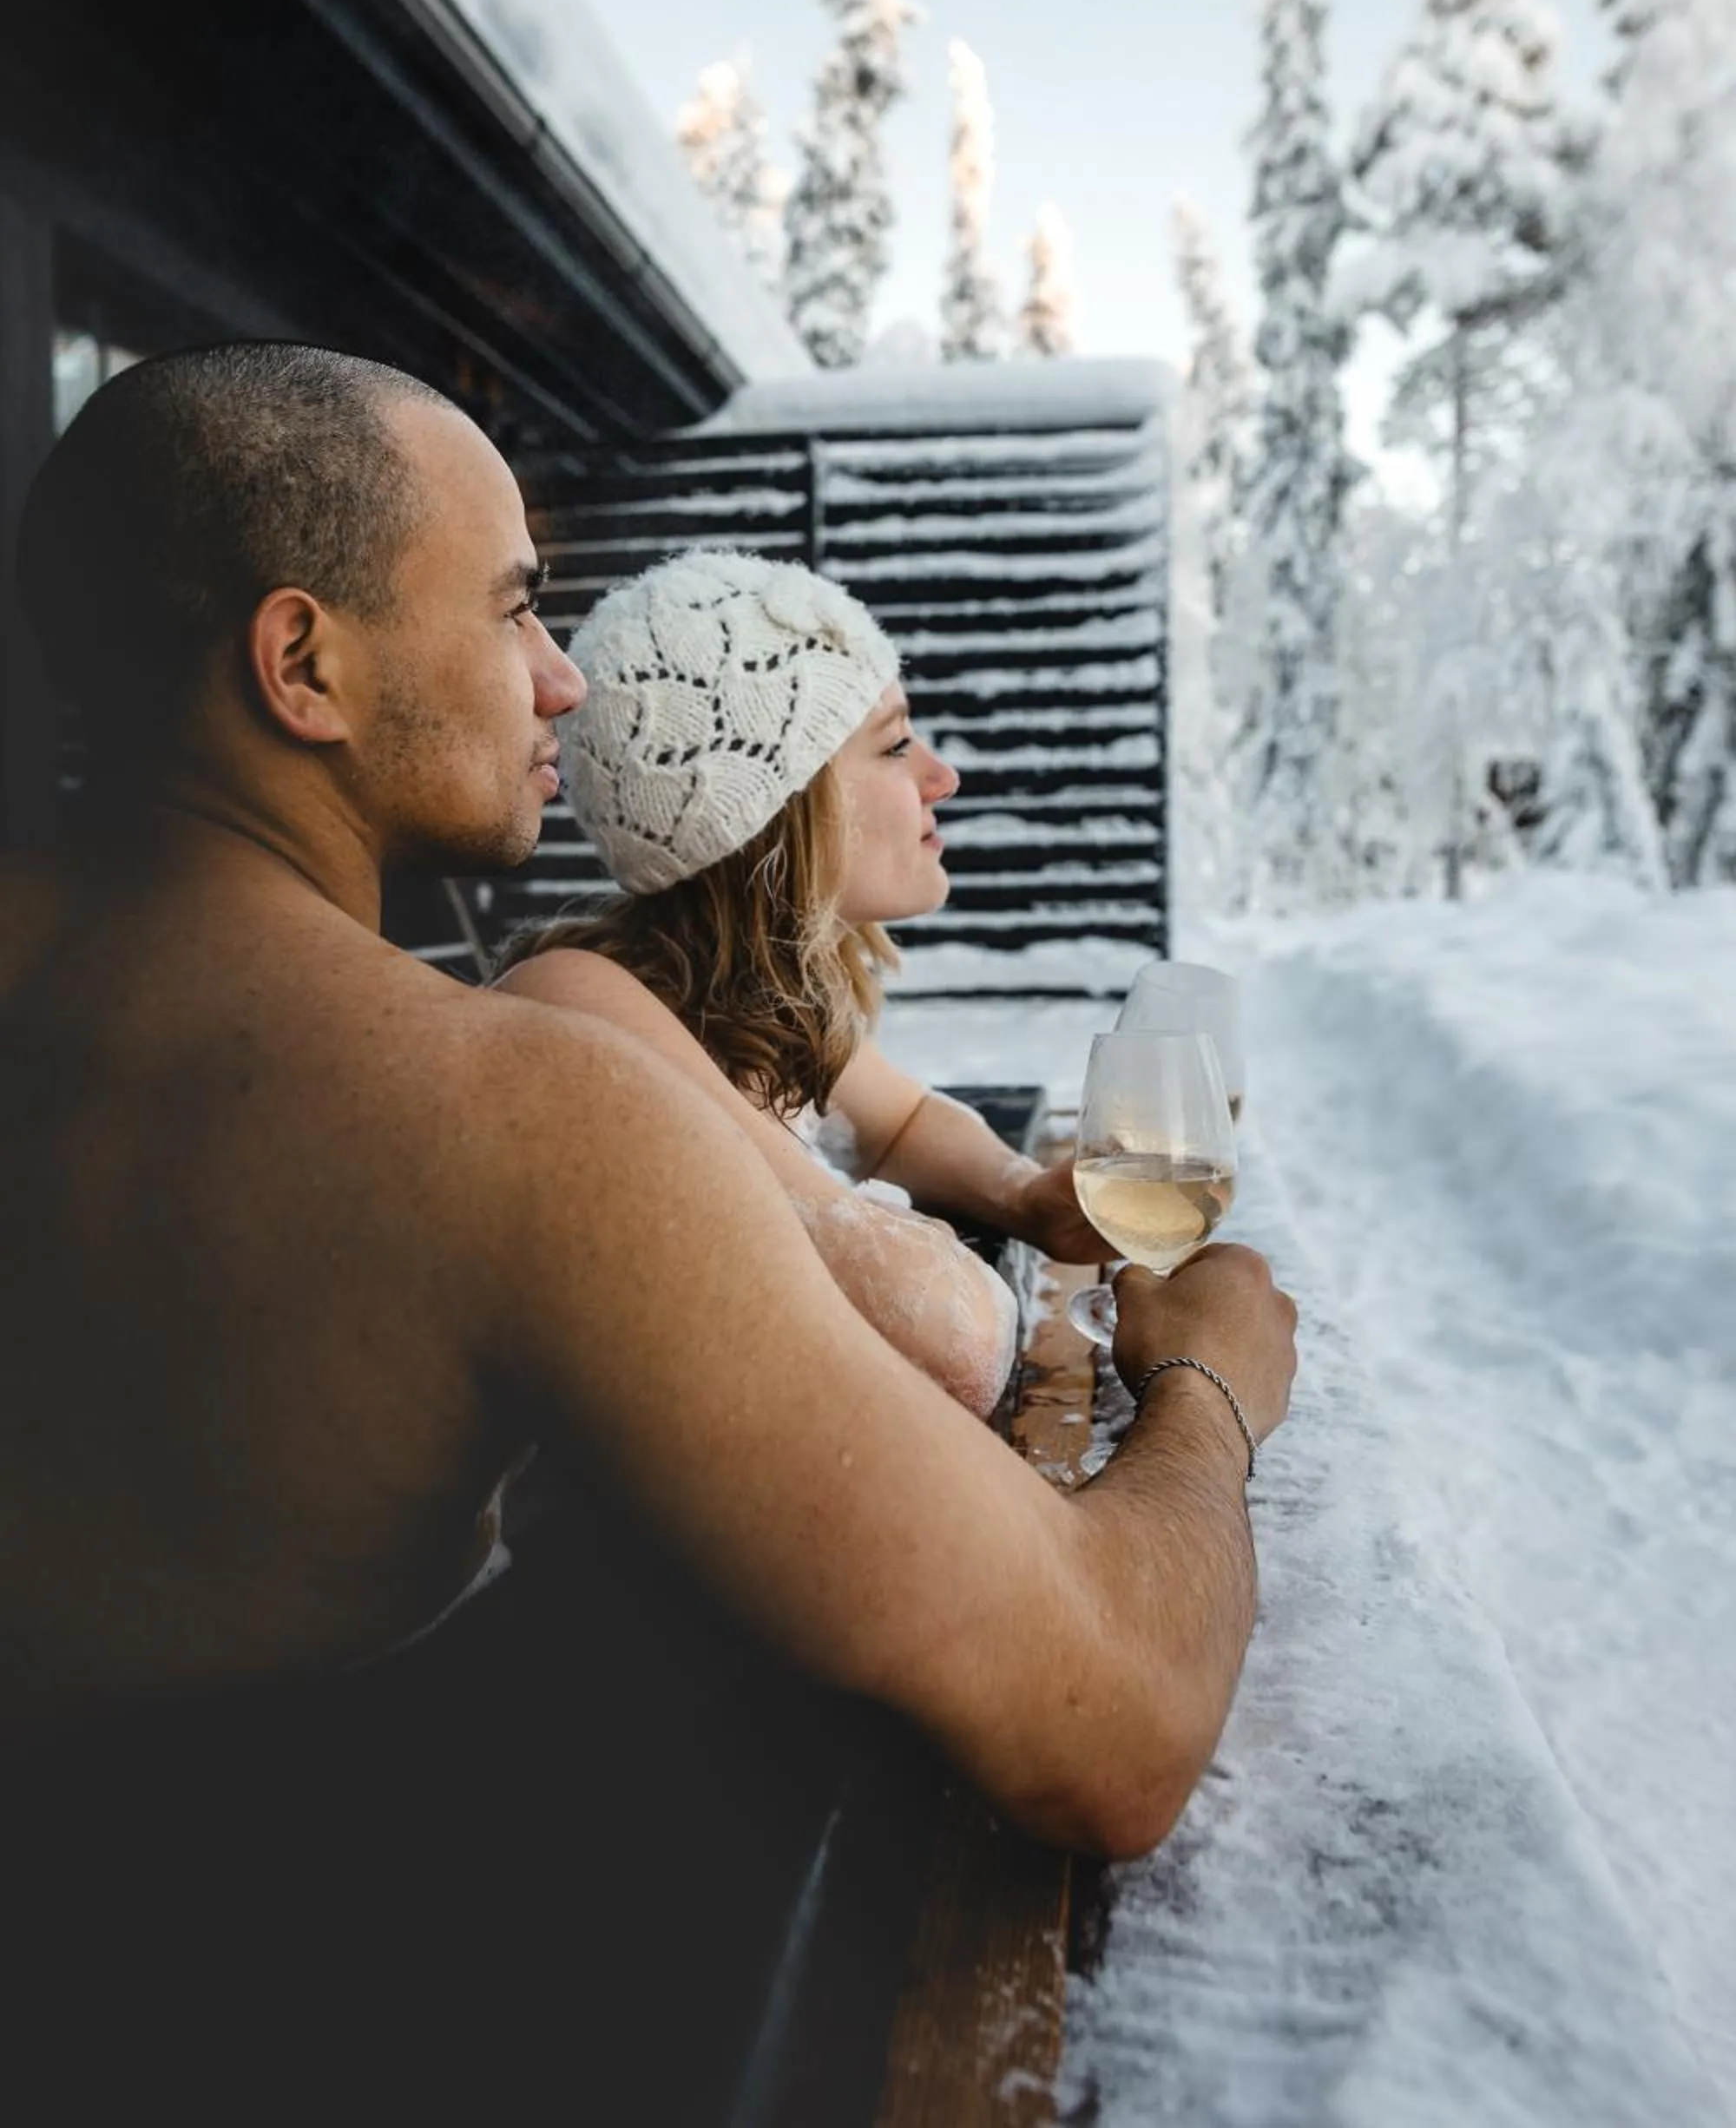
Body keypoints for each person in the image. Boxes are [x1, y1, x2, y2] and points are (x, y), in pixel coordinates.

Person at [0, 344, 1296, 2100]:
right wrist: (1210, 1387)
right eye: (515, 607)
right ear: (301, 662)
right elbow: (1115, 1717)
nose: (562, 679)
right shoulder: (509, 1112)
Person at [495, 547, 1108, 1419]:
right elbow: (952, 1338)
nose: (942, 776)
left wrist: (1024, 1196)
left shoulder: (752, 1004)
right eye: (895, 745)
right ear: (775, 812)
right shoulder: (583, 1006)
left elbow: (898, 1124)